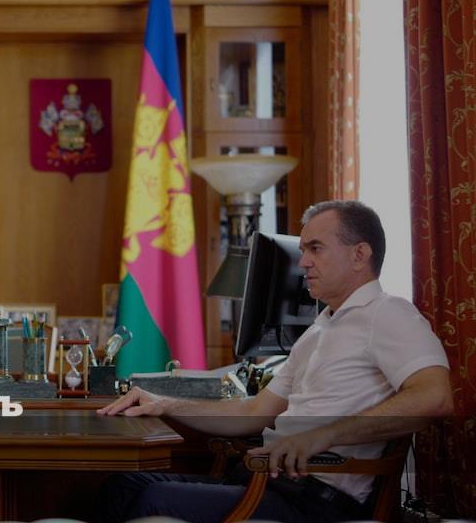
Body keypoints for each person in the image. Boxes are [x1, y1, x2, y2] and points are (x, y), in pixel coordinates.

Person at [94, 200, 454, 523]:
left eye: (315, 248)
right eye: (303, 250)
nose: (303, 262)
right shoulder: (319, 329)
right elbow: (254, 412)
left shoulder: (388, 313)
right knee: (122, 486)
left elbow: (435, 396)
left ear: (360, 255)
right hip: (266, 480)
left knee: (154, 499)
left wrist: (323, 435)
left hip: (316, 499)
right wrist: (165, 404)